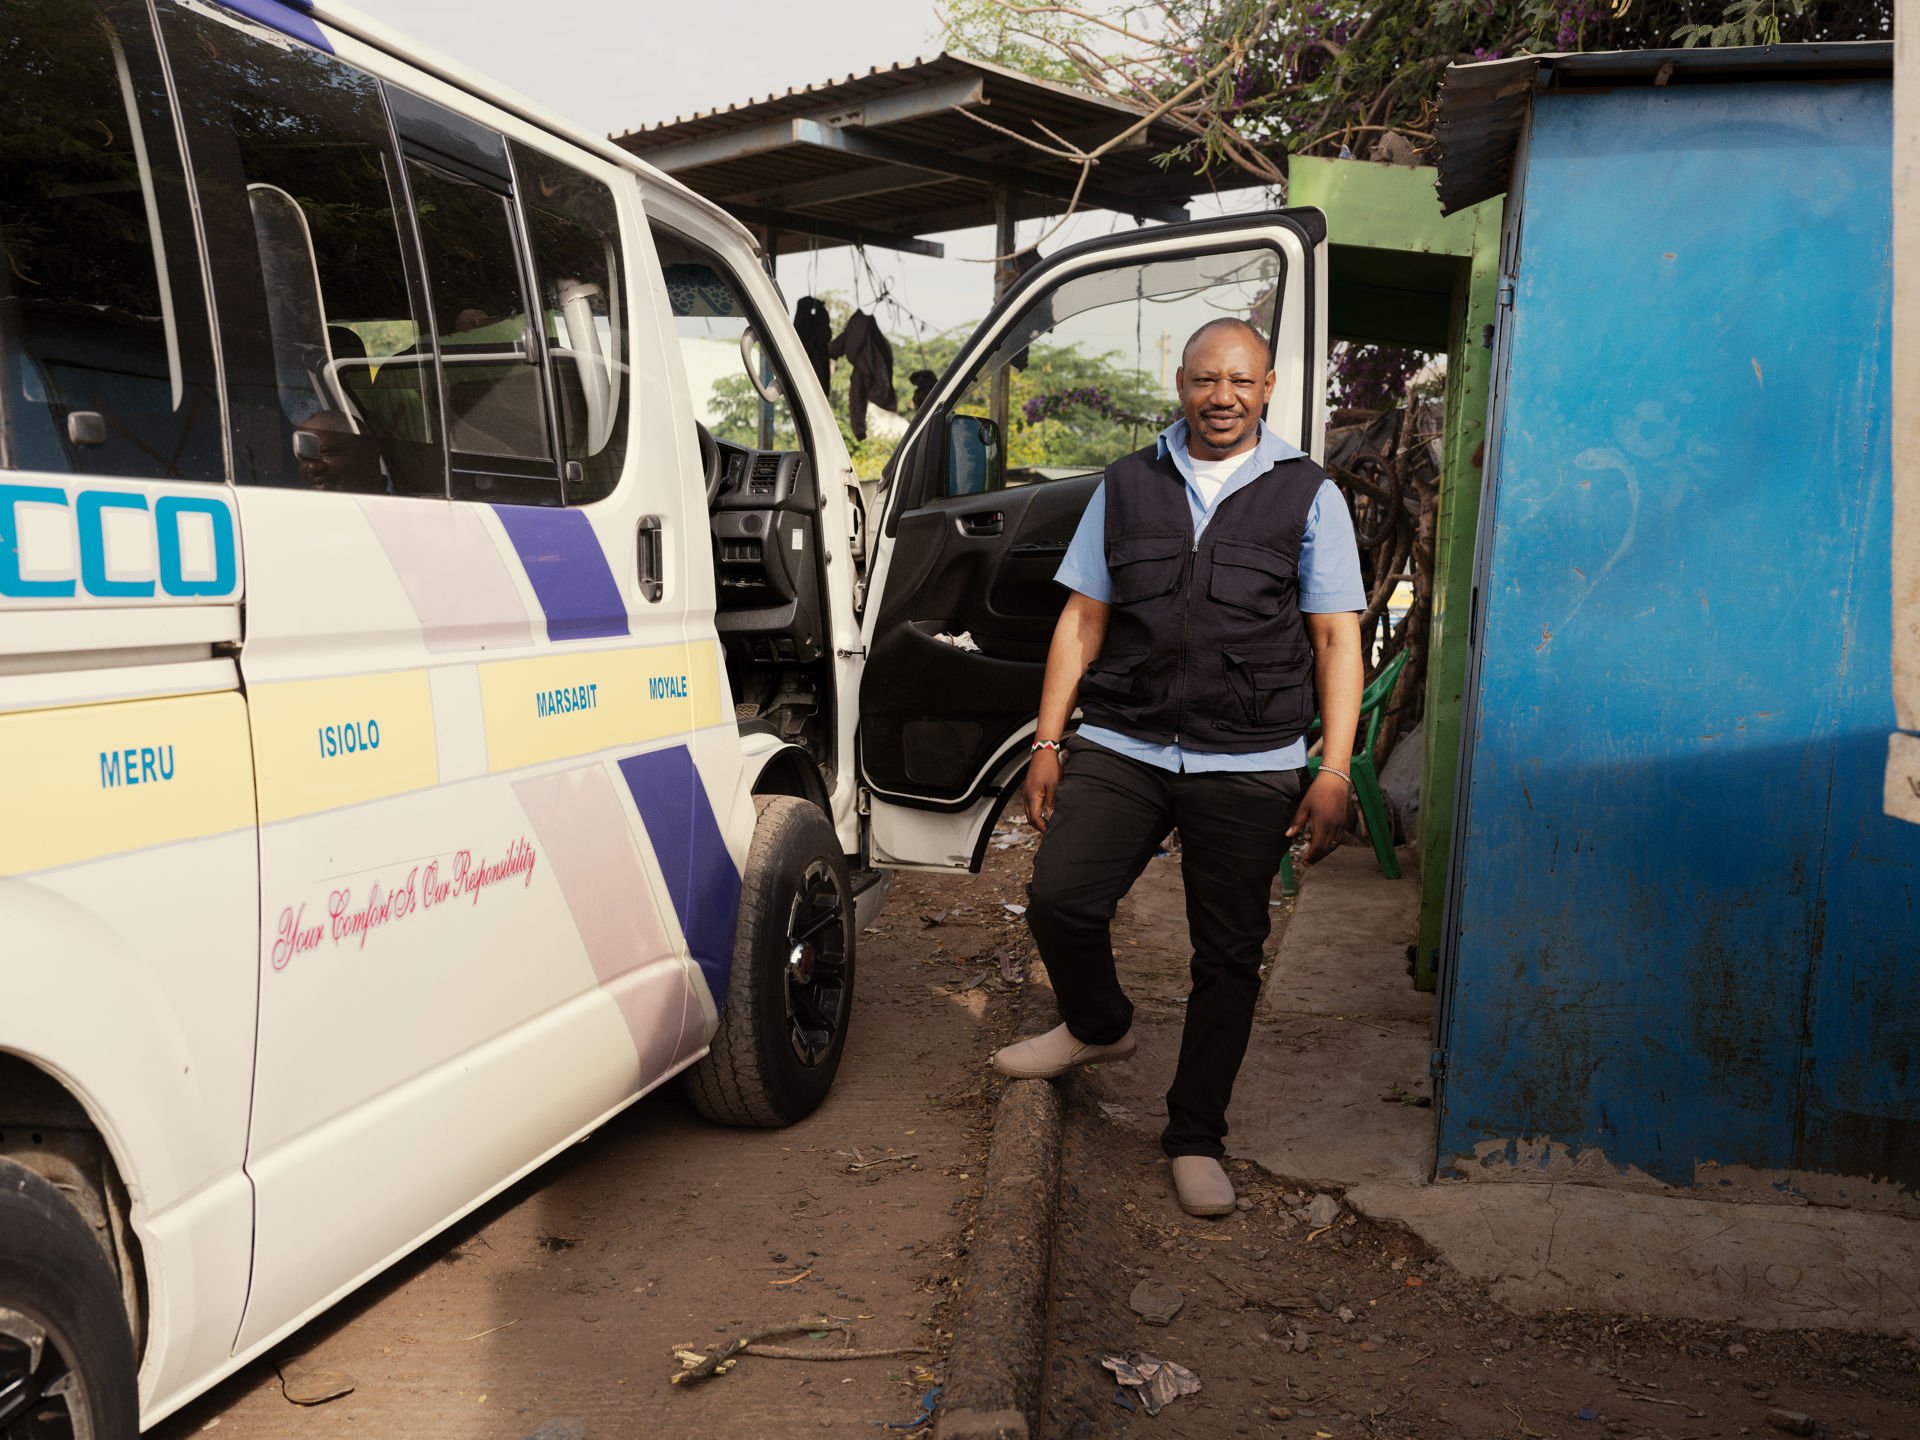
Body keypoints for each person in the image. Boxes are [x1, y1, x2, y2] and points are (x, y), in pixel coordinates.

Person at [991, 317, 1366, 1218]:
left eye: (1240, 381)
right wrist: (1048, 742)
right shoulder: (1127, 485)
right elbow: (1082, 620)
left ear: (1268, 386)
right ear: (1181, 384)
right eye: (1205, 380)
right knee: (1060, 898)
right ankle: (1097, 1025)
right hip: (1125, 740)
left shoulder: (1307, 494)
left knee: (1227, 956)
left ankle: (1195, 1134)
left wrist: (1335, 769)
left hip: (1251, 757)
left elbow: (1335, 637)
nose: (1222, 397)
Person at [294, 410, 386, 494]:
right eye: (304, 457)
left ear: (369, 451)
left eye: (326, 453)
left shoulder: (399, 497)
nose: (312, 467)